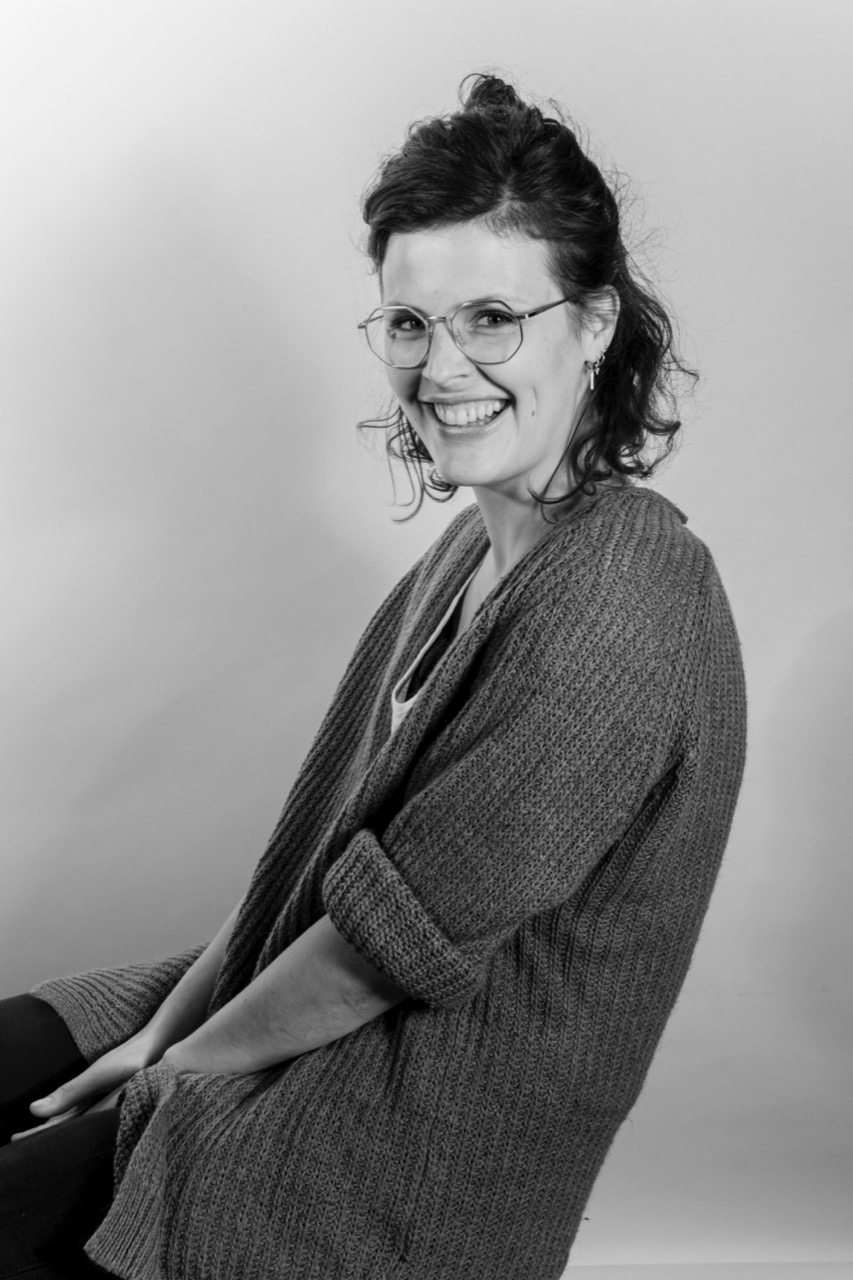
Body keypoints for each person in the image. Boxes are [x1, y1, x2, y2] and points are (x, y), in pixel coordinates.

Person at [0, 74, 747, 1280]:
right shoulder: (467, 552)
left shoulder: (625, 599)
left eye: (491, 317)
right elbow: (303, 878)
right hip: (289, 982)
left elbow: (376, 952)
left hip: (395, 1129)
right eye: (409, 322)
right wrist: (160, 1026)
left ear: (595, 322)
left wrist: (165, 1073)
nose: (442, 366)